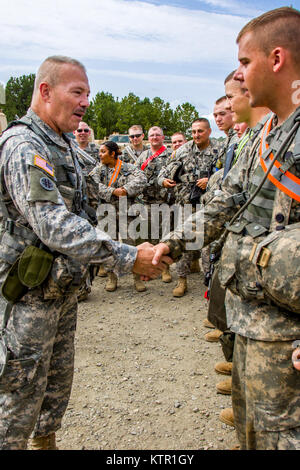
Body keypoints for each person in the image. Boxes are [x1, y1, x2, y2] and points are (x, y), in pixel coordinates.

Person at [0, 56, 171, 450]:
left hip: (60, 289)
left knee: (55, 383)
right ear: (45, 91)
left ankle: (46, 443)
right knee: (18, 390)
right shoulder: (24, 145)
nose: (86, 102)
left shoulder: (62, 143)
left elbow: (92, 194)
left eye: (88, 94)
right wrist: (130, 256)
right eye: (77, 92)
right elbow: (53, 223)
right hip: (27, 293)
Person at [153, 6, 300, 450]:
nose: (239, 75)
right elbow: (224, 201)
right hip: (252, 319)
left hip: (288, 336)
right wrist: (171, 246)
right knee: (251, 429)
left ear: (277, 60)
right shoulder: (269, 133)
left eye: (244, 62)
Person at [157, 118, 219, 297]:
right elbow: (163, 172)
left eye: (200, 131)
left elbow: (229, 174)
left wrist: (211, 180)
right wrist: (164, 181)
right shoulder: (182, 151)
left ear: (208, 131)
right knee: (184, 242)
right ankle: (181, 280)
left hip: (208, 206)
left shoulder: (219, 150)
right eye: (193, 132)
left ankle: (210, 282)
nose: (196, 135)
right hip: (184, 204)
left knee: (208, 246)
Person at [90, 140, 148, 292]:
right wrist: (112, 192)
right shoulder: (98, 170)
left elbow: (142, 179)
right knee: (109, 245)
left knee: (131, 245)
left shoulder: (127, 168)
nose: (100, 155)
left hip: (126, 212)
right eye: (100, 152)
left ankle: (136, 277)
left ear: (112, 153)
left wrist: (126, 189)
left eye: (103, 152)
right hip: (106, 212)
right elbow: (92, 185)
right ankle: (112, 277)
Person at [135, 126, 172, 283]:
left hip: (166, 201)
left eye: (158, 135)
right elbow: (135, 175)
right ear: (147, 138)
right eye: (152, 135)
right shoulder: (143, 156)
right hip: (148, 202)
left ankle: (165, 269)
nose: (155, 137)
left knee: (166, 236)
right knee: (150, 234)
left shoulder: (171, 154)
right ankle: (150, 266)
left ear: (163, 137)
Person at [213, 96, 239, 170]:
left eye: (222, 114)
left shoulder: (240, 138)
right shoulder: (226, 141)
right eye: (215, 115)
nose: (218, 119)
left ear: (233, 112)